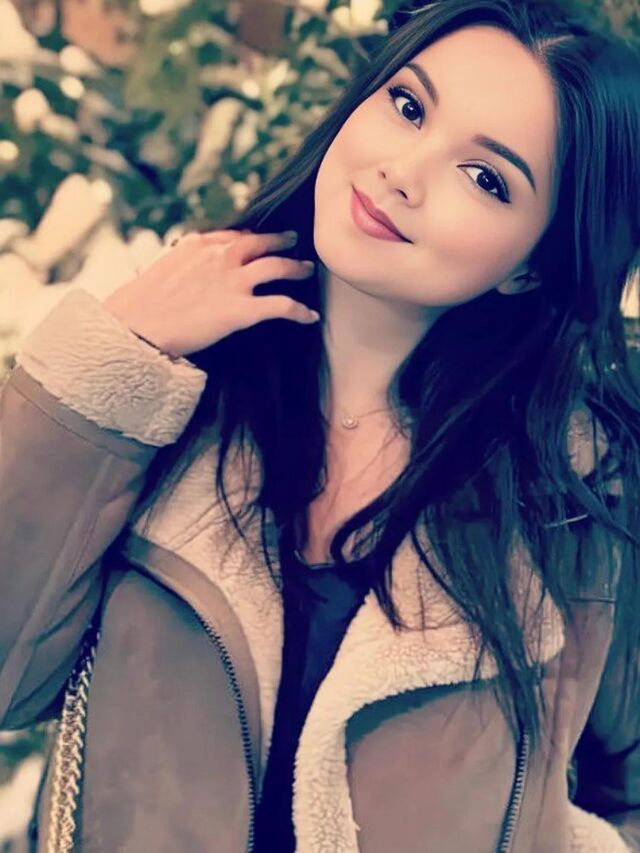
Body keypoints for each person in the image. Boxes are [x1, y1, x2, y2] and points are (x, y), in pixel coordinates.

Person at [1, 0, 639, 850]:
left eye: (486, 178)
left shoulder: (573, 499)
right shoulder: (166, 392)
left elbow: (625, 778)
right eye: (408, 105)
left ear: (531, 268)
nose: (403, 170)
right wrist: (117, 354)